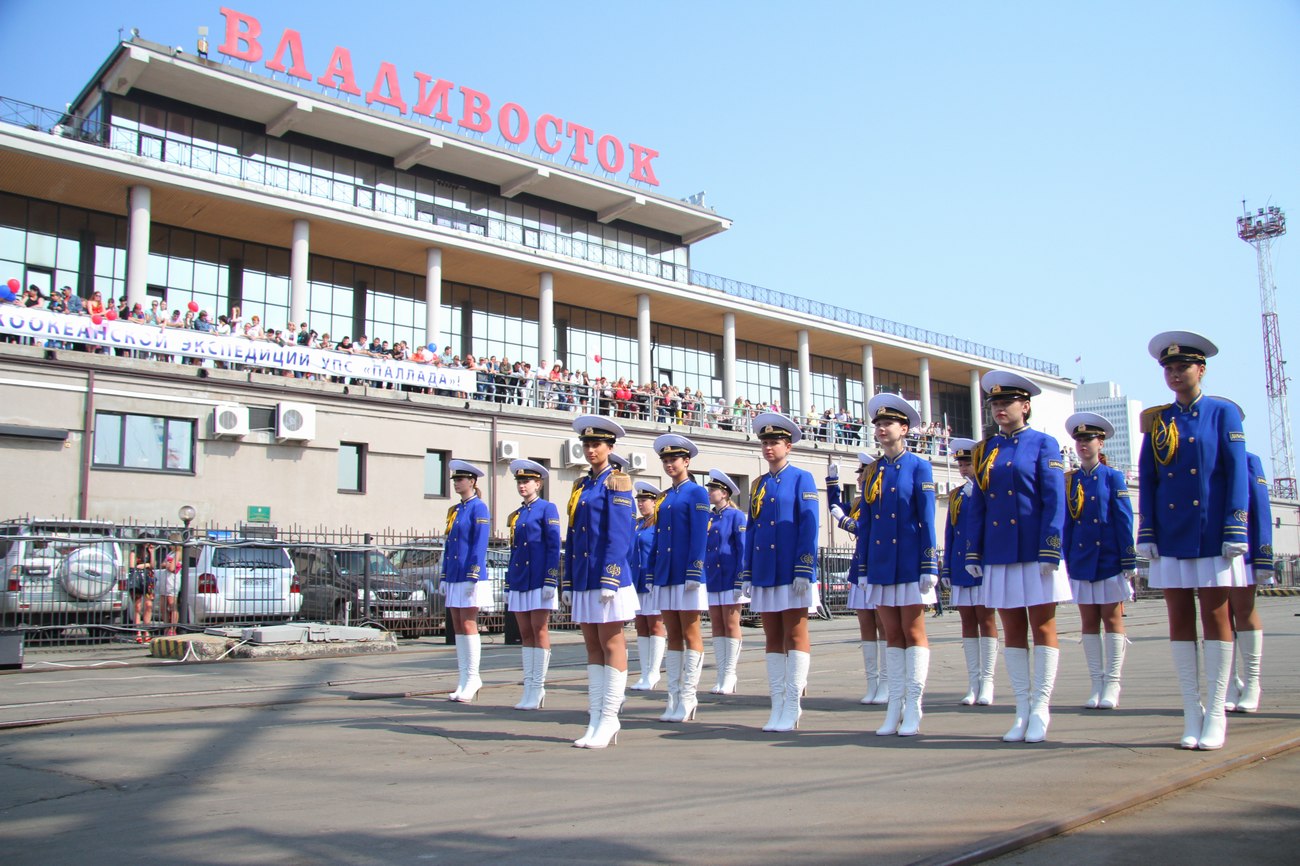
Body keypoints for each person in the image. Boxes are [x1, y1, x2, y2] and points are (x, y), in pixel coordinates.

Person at [1138, 332, 1249, 751]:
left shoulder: (1223, 413)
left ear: (1201, 369)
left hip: (1210, 530)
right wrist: (1146, 528)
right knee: (1179, 618)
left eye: (1182, 366)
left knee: (1217, 616)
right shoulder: (1159, 419)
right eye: (1168, 368)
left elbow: (1236, 472)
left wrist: (1236, 524)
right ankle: (1192, 710)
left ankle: (1217, 711)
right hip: (1171, 531)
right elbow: (1149, 477)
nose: (1174, 374)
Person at [965, 370, 1070, 743]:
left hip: (1033, 548)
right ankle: (1022, 709)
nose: (999, 409)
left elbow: (1054, 498)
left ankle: (1040, 708)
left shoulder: (1044, 444)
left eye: (1006, 402)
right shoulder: (986, 450)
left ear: (1025, 406)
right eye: (994, 403)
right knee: (1012, 631)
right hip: (1000, 550)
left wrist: (1051, 545)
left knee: (1042, 627)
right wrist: (974, 548)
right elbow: (977, 503)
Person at [858, 394, 938, 737]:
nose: (881, 429)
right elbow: (868, 523)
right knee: (891, 634)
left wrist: (929, 563)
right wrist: (863, 566)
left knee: (913, 632)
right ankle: (895, 706)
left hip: (908, 561)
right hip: (880, 562)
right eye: (877, 424)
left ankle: (914, 707)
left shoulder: (920, 467)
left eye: (887, 423)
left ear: (904, 428)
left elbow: (928, 518)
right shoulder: (874, 470)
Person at [741, 412, 820, 733]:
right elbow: (753, 530)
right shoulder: (759, 484)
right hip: (764, 570)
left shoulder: (802, 478)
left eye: (774, 442)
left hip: (791, 569)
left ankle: (792, 704)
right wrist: (747, 571)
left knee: (795, 633)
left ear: (788, 445)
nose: (768, 448)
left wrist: (805, 565)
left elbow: (809, 525)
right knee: (772, 636)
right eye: (765, 443)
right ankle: (777, 703)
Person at [563, 415, 638, 748]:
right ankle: (595, 717)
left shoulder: (618, 481)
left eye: (597, 444)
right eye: (587, 444)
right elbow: (573, 534)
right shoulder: (582, 485)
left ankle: (609, 718)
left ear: (610, 448)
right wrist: (567, 579)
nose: (591, 450)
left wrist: (611, 575)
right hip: (583, 575)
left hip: (607, 577)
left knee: (612, 643)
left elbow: (620, 533)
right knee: (592, 646)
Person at [1063, 413, 1136, 710]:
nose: (1082, 445)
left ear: (1100, 442)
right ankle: (1096, 681)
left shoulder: (1113, 477)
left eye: (1088, 439)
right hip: (1081, 559)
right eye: (1078, 440)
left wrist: (1127, 558)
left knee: (1112, 618)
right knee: (1089, 621)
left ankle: (1113, 682)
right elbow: (1067, 523)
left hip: (1107, 557)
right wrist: (1065, 560)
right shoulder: (1070, 480)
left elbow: (1123, 518)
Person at [646, 433, 711, 722]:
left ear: (687, 461)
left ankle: (688, 696)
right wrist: (652, 570)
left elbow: (699, 533)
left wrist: (695, 568)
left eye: (674, 460)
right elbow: (659, 537)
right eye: (665, 460)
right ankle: (672, 696)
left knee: (690, 632)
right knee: (672, 634)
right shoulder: (665, 496)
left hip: (686, 572)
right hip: (666, 571)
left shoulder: (696, 493)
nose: (669, 464)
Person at [827, 452, 890, 705]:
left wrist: (845, 523)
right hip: (859, 566)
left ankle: (886, 682)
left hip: (878, 565)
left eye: (863, 473)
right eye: (860, 474)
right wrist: (833, 483)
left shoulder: (881, 498)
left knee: (883, 625)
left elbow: (865, 525)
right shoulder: (860, 499)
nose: (861, 477)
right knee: (866, 626)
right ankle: (872, 682)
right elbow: (838, 508)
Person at [942, 438, 999, 707]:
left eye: (969, 463)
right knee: (967, 622)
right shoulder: (956, 495)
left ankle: (987, 680)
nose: (965, 469)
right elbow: (951, 533)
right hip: (961, 564)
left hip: (983, 562)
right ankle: (973, 681)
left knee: (986, 620)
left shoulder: (988, 491)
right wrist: (947, 567)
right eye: (962, 464)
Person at [505, 459, 562, 711]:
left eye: (526, 481)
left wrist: (551, 577)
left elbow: (552, 546)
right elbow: (515, 550)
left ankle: (538, 687)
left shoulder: (547, 509)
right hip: (520, 578)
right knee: (524, 633)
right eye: (519, 481)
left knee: (539, 630)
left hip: (540, 577)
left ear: (538, 484)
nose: (522, 485)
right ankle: (528, 686)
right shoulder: (517, 515)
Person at [1227, 445, 1274, 714]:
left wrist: (1264, 553)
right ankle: (1231, 682)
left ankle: (1253, 682)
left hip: (1242, 548)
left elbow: (1262, 508)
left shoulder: (1248, 460)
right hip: (1212, 551)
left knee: (1244, 610)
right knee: (1219, 616)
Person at [442, 460, 491, 703]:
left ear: (472, 481)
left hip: (469, 575)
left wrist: (473, 572)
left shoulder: (478, 508)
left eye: (460, 479)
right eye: (455, 480)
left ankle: (473, 677)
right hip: (454, 574)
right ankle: (463, 678)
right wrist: (444, 574)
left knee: (469, 623)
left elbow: (479, 543)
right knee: (457, 626)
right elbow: (448, 545)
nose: (457, 483)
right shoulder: (455, 510)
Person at [704, 468, 748, 695]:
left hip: (731, 577)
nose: (710, 492)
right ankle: (721, 674)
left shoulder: (736, 516)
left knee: (731, 624)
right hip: (713, 578)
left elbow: (742, 548)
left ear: (725, 493)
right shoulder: (711, 517)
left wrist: (741, 578)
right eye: (710, 489)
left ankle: (730, 674)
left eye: (714, 489)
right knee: (717, 625)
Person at [629, 480, 667, 691]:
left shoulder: (658, 525)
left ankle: (653, 673)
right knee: (641, 626)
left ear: (655, 502)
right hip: (637, 581)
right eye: (639, 500)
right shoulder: (637, 524)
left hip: (652, 579)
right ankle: (644, 673)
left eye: (645, 500)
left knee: (655, 625)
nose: (641, 504)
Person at [129, 540, 159, 643]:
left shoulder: (149, 552)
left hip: (148, 579)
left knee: (148, 605)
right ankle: (138, 632)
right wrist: (147, 565)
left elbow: (153, 565)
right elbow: (134, 566)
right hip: (137, 580)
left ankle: (146, 631)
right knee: (137, 606)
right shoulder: (134, 552)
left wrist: (152, 552)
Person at [158, 543, 182, 637]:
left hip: (172, 581)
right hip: (165, 580)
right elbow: (162, 564)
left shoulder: (178, 553)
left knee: (172, 605)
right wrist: (167, 564)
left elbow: (172, 568)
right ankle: (166, 626)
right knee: (163, 606)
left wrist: (167, 564)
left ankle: (173, 628)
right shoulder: (171, 553)